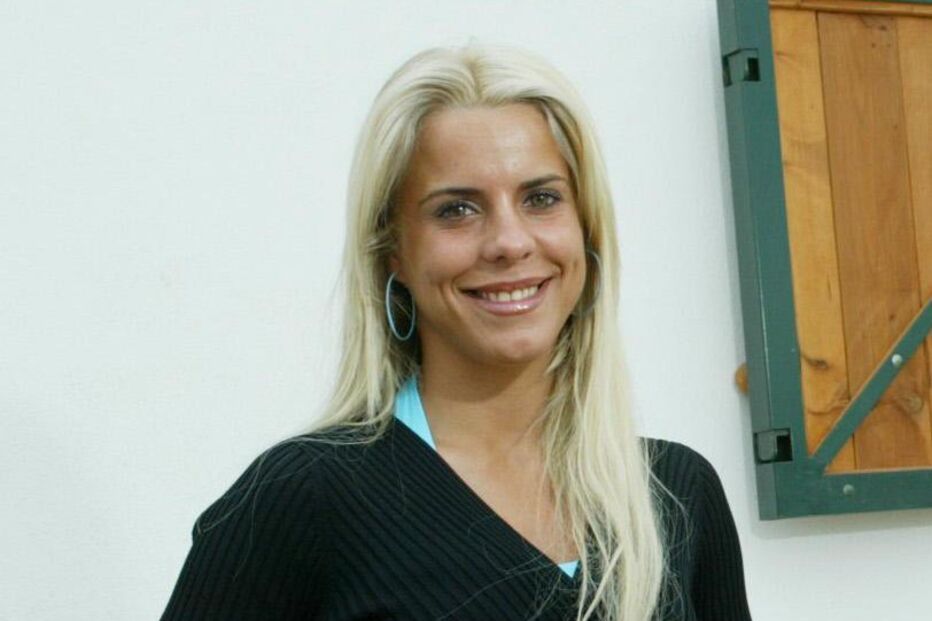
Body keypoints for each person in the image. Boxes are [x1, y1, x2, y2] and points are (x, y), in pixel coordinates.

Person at [160, 43, 752, 621]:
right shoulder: (302, 498)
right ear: (393, 250)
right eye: (457, 209)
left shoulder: (675, 492)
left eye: (541, 198)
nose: (510, 242)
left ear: (586, 228)